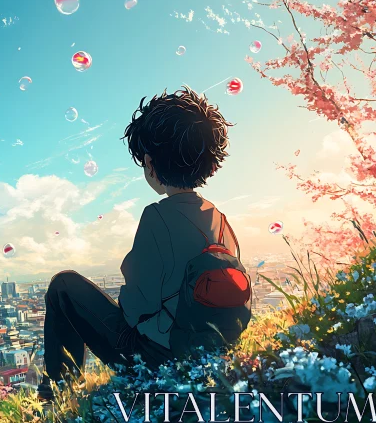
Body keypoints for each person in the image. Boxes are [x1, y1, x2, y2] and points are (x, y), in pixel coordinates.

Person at [38, 87, 241, 401]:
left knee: (63, 286)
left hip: (154, 360)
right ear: (208, 162)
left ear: (149, 162)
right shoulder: (221, 220)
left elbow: (135, 308)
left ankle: (59, 394)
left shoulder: (158, 217)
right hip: (206, 357)